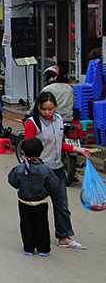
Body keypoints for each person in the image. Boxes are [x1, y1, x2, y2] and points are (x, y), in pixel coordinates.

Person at [23, 91, 93, 249]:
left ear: (56, 107)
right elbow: (28, 147)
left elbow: (59, 144)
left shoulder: (59, 119)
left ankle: (64, 236)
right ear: (38, 107)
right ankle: (35, 238)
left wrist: (78, 149)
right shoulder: (32, 123)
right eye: (44, 109)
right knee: (37, 207)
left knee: (62, 205)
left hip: (58, 169)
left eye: (51, 108)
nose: (47, 112)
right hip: (40, 171)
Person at [8, 137, 60, 256]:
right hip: (41, 201)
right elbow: (54, 184)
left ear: (23, 152)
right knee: (42, 224)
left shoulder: (19, 169)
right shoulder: (45, 170)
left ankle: (28, 248)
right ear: (41, 152)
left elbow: (13, 181)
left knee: (26, 224)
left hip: (24, 200)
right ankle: (43, 249)